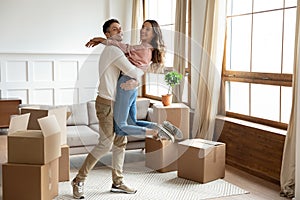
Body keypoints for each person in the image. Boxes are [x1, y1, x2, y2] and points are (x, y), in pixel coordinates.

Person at [71, 19, 172, 199]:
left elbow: (137, 64)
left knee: (120, 141)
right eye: (114, 29)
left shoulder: (119, 49)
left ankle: (117, 181)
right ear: (108, 35)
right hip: (107, 103)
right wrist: (137, 77)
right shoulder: (112, 50)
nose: (119, 31)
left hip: (115, 100)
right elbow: (133, 71)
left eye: (120, 28)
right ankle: (79, 179)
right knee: (105, 144)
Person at [86, 20, 183, 141]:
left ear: (154, 34)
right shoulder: (149, 49)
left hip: (125, 85)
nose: (143, 30)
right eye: (143, 27)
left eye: (148, 29)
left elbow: (125, 48)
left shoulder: (143, 48)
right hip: (132, 88)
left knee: (120, 127)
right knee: (133, 122)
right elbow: (138, 67)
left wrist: (103, 40)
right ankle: (161, 127)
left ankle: (154, 131)